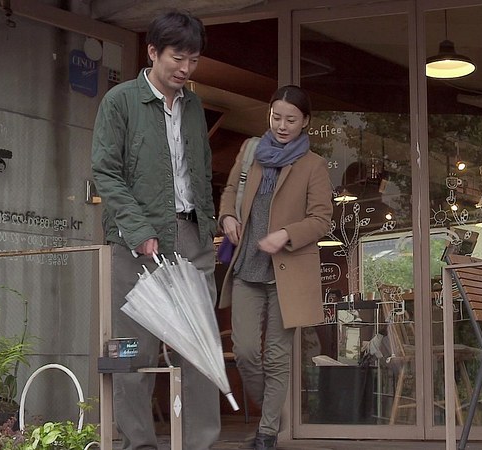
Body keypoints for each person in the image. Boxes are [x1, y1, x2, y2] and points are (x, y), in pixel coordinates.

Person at [91, 9, 220, 450]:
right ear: (152, 52)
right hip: (136, 242)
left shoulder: (194, 106)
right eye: (177, 58)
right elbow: (105, 171)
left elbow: (200, 171)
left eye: (193, 60)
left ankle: (201, 444)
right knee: (134, 350)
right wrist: (137, 227)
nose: (186, 68)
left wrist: (208, 229)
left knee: (200, 348)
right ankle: (139, 444)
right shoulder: (120, 101)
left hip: (192, 236)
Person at [219, 85, 332, 450]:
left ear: (305, 122)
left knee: (277, 356)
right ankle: (275, 413)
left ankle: (267, 433)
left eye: (291, 120)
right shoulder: (251, 151)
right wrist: (227, 217)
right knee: (246, 352)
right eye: (276, 117)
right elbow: (229, 192)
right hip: (247, 267)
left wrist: (286, 234)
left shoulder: (313, 165)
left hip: (288, 272)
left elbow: (321, 219)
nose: (282, 126)